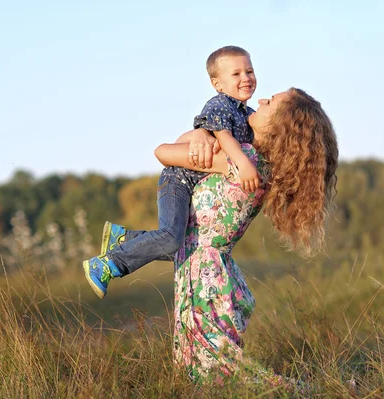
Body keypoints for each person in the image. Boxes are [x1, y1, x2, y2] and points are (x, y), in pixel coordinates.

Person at [152, 88, 338, 384]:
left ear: (283, 124)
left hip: (203, 275)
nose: (261, 100)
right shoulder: (256, 162)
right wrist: (206, 135)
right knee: (205, 372)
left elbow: (163, 152)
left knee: (212, 376)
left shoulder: (243, 160)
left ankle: (309, 392)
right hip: (211, 270)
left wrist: (203, 135)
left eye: (272, 102)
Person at [83, 45, 260, 299]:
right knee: (171, 239)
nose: (246, 78)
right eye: (236, 74)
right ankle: (109, 264)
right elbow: (222, 135)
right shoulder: (221, 104)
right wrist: (242, 164)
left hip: (192, 186)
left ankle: (124, 237)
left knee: (187, 246)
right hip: (178, 180)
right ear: (217, 83)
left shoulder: (246, 113)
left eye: (249, 71)